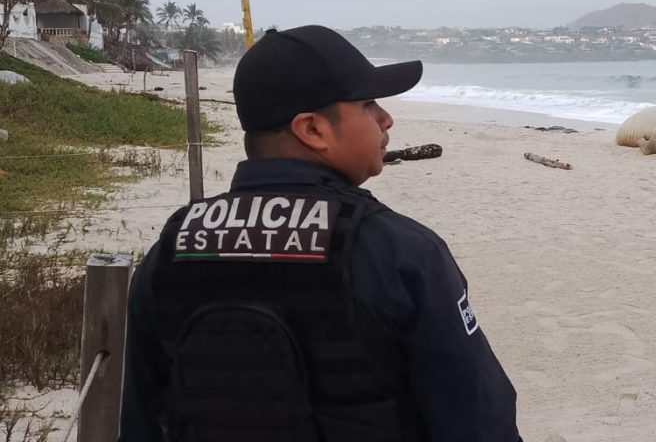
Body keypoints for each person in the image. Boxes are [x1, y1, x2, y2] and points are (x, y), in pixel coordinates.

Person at [119, 25, 523, 442]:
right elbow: (478, 421)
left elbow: (137, 418)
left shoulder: (173, 248)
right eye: (368, 104)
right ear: (312, 130)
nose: (387, 118)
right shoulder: (400, 253)